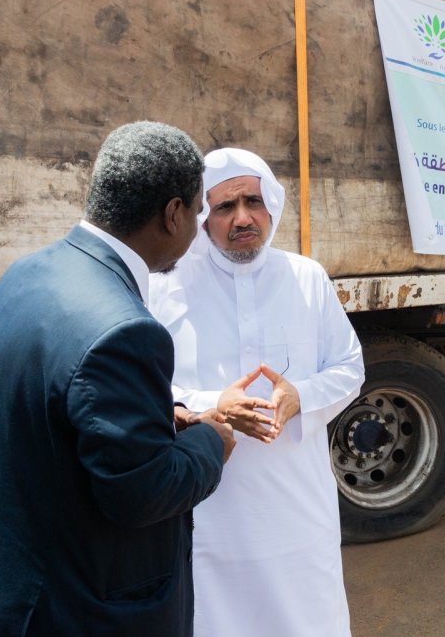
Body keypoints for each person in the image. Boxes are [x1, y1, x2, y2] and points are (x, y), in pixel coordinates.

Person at [0, 121, 235, 635]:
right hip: (65, 610)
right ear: (173, 214)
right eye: (199, 211)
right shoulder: (126, 330)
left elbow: (55, 406)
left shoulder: (27, 273)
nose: (197, 228)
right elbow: (143, 494)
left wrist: (158, 420)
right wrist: (212, 441)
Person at [149, 147, 365, 637]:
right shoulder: (166, 287)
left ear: (272, 205)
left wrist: (300, 397)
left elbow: (350, 368)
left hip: (297, 504)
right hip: (211, 509)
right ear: (202, 217)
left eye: (253, 201)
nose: (242, 217)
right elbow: (147, 388)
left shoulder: (307, 278)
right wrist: (212, 408)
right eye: (225, 206)